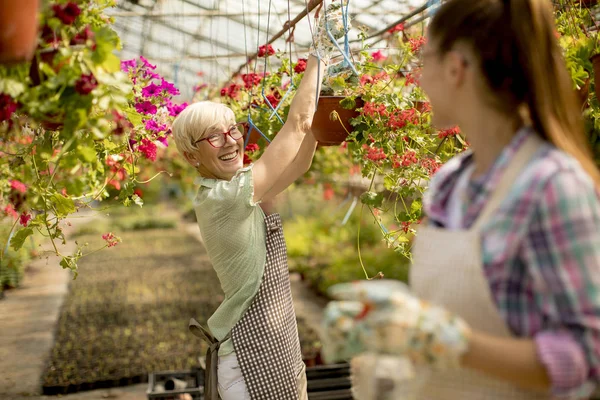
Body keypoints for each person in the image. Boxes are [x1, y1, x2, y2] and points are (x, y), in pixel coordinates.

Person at [321, 0, 600, 399]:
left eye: (425, 60)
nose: (418, 79)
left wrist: (454, 344)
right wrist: (401, 329)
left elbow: (586, 357)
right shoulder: (449, 183)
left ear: (456, 68)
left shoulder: (552, 186)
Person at [171, 5, 348, 399]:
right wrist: (320, 52)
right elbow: (297, 125)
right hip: (250, 356)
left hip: (276, 343)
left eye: (231, 129)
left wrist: (322, 118)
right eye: (213, 137)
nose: (231, 140)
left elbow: (298, 164)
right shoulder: (224, 197)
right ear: (191, 156)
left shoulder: (236, 188)